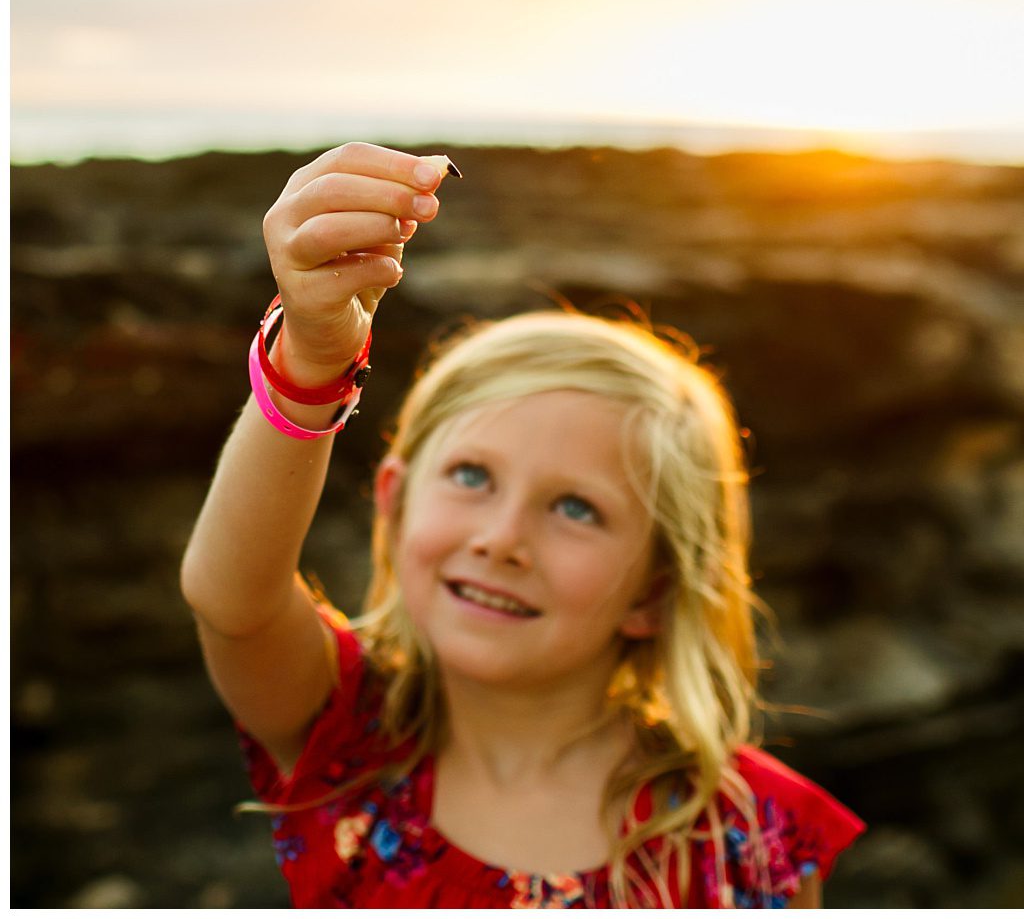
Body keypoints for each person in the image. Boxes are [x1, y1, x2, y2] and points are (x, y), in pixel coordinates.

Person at [179, 142, 865, 907]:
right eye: (472, 476)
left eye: (577, 508)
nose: (501, 537)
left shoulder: (750, 836)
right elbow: (230, 597)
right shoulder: (345, 729)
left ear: (655, 589)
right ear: (394, 498)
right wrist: (309, 361)